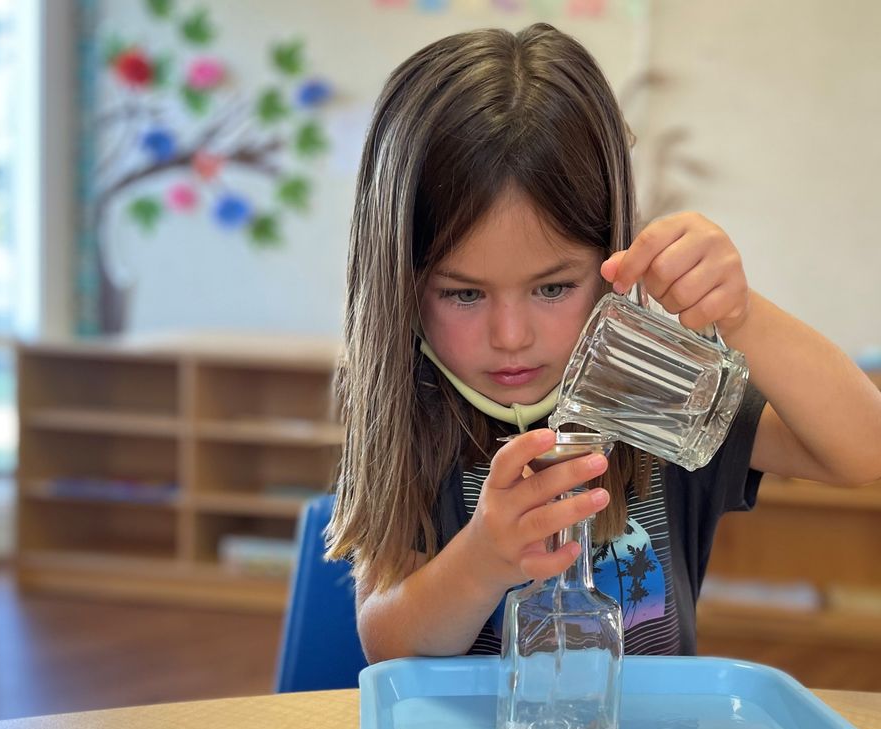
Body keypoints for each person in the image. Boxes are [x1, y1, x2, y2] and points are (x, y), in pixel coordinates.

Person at [325, 23, 881, 662]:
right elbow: (386, 642)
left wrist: (740, 313)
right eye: (464, 294)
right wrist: (482, 561)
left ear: (612, 259)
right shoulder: (411, 409)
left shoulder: (651, 391)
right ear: (403, 284)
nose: (511, 338)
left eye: (553, 288)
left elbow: (862, 451)